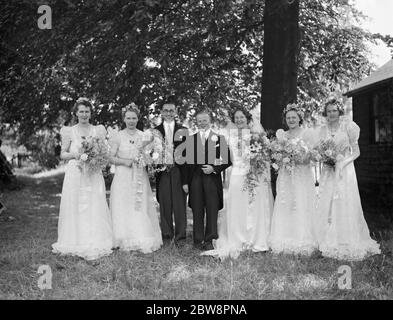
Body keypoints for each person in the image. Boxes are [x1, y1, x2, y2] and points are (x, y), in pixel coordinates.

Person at [202, 107, 274, 259]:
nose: (239, 120)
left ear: (247, 118)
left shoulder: (258, 136)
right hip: (236, 176)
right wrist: (213, 167)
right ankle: (239, 239)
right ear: (234, 120)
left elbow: (265, 156)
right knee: (238, 207)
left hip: (255, 176)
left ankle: (256, 239)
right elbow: (225, 158)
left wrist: (257, 165)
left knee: (255, 208)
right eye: (236, 118)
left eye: (242, 117)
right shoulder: (230, 137)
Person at [315, 98, 380, 260]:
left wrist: (343, 162)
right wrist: (325, 158)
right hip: (328, 170)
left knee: (343, 201)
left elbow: (356, 152)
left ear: (339, 112)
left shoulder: (349, 127)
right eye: (329, 111)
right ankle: (325, 237)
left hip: (345, 169)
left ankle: (345, 237)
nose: (331, 114)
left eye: (334, 111)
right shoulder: (322, 130)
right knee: (327, 199)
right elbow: (318, 150)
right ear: (326, 113)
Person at [52, 98, 113, 260]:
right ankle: (75, 239)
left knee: (94, 203)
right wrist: (76, 155)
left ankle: (95, 239)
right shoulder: (69, 131)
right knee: (76, 204)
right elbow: (63, 154)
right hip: (76, 173)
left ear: (90, 113)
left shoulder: (98, 130)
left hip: (93, 173)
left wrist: (96, 155)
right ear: (76, 113)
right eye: (81, 111)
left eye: (87, 111)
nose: (84, 114)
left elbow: (104, 151)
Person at [109, 104, 162, 253]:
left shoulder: (144, 136)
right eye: (128, 118)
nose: (131, 121)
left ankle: (140, 234)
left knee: (138, 204)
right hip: (122, 175)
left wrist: (145, 159)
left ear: (138, 119)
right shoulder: (117, 136)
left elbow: (148, 157)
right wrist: (124, 161)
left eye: (134, 118)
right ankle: (122, 236)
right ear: (124, 119)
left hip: (139, 176)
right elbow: (110, 157)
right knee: (123, 203)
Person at [268, 103, 318, 256]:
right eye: (288, 117)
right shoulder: (282, 135)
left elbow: (313, 154)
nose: (291, 120)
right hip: (286, 175)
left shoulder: (307, 133)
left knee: (301, 202)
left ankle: (302, 238)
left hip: (302, 174)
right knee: (286, 202)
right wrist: (282, 157)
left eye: (293, 117)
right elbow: (276, 155)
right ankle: (284, 237)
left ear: (299, 118)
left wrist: (301, 157)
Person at [184, 110, 231, 251]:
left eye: (205, 120)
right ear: (196, 122)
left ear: (209, 121)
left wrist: (214, 168)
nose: (202, 123)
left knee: (212, 209)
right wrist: (186, 182)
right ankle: (198, 241)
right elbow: (185, 164)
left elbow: (228, 160)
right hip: (196, 179)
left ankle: (210, 239)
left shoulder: (219, 138)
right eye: (200, 121)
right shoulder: (190, 140)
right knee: (197, 210)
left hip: (212, 178)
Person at [153, 99, 188, 247]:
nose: (168, 113)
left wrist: (186, 181)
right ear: (161, 112)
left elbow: (188, 157)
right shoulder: (155, 131)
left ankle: (180, 237)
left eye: (171, 110)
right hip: (163, 173)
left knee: (180, 205)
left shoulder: (183, 130)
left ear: (176, 112)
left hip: (179, 172)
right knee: (165, 204)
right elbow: (152, 153)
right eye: (165, 110)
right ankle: (167, 236)